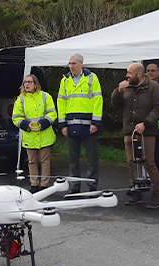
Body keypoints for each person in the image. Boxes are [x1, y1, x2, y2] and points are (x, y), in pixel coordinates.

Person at [111, 63, 159, 208]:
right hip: (129, 130)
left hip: (147, 132)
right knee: (132, 163)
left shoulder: (154, 88)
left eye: (130, 73)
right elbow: (116, 105)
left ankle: (157, 194)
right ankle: (136, 192)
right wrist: (118, 92)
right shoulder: (127, 87)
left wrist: (145, 123)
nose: (127, 76)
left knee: (148, 163)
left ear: (140, 74)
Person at [58, 53, 103, 193]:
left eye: (74, 63)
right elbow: (61, 102)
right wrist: (62, 125)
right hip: (71, 124)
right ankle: (74, 187)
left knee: (92, 158)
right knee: (73, 159)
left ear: (81, 63)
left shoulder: (91, 78)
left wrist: (95, 122)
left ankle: (92, 186)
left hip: (89, 124)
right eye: (70, 63)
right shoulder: (65, 80)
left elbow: (98, 100)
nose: (71, 66)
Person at [12, 74, 56, 193]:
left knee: (45, 161)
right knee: (32, 161)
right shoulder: (20, 99)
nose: (27, 84)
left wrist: (43, 123)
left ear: (35, 84)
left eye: (30, 82)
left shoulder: (45, 96)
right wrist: (26, 125)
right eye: (25, 82)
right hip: (30, 135)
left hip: (44, 135)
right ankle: (34, 185)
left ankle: (44, 185)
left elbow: (52, 113)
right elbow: (16, 117)